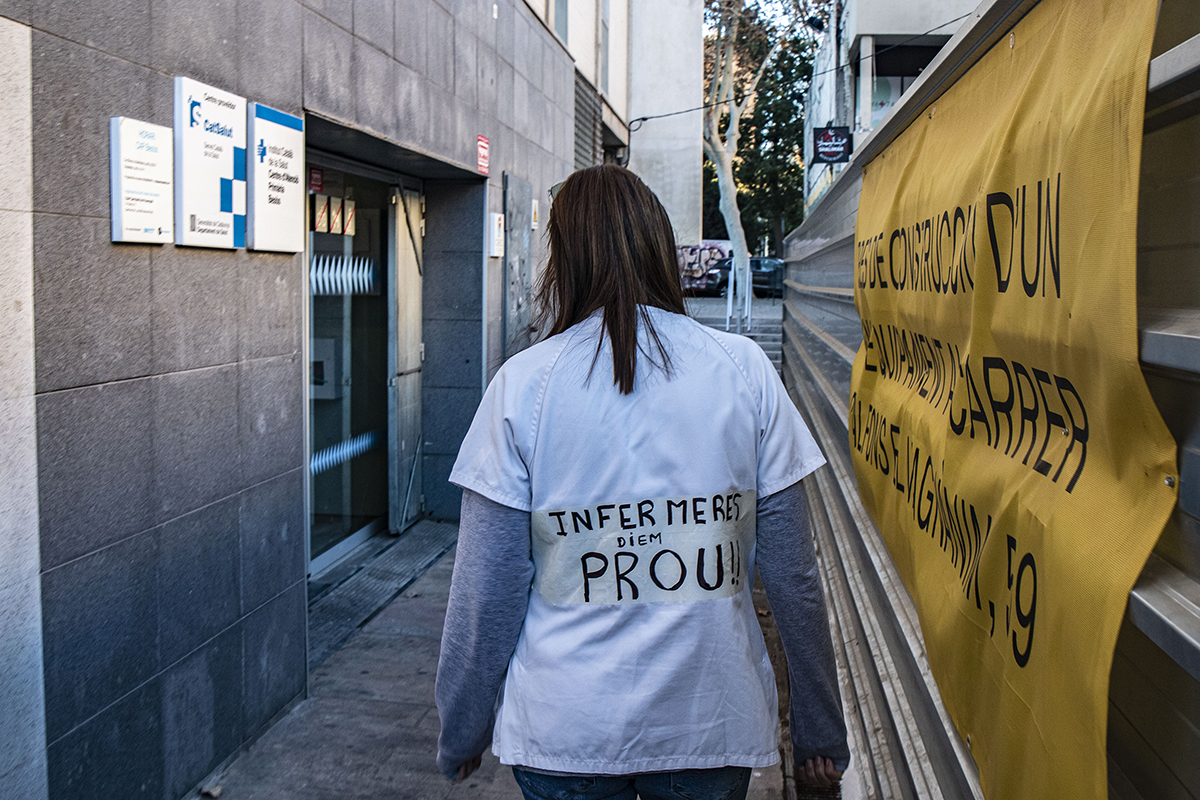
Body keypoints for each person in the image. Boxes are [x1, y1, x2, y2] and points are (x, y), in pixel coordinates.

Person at [435, 165, 849, 800]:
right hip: (707, 724)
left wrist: (463, 729)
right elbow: (793, 577)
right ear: (659, 247)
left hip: (565, 731)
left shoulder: (523, 386)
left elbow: (484, 591)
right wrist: (820, 732)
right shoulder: (743, 373)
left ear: (563, 261)